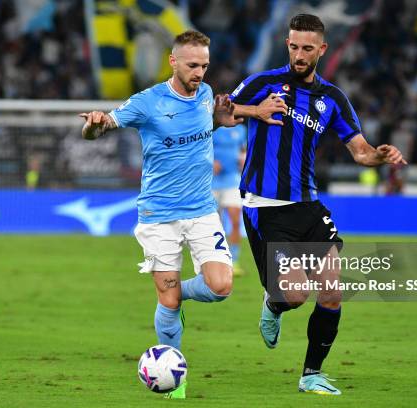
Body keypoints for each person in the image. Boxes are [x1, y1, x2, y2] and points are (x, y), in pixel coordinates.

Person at [79, 30, 284, 399]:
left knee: (221, 287)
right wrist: (92, 126)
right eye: (193, 65)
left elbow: (215, 118)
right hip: (159, 215)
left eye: (205, 65)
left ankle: (176, 297)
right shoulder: (148, 102)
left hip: (202, 210)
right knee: (167, 301)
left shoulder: (205, 95)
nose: (200, 73)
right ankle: (175, 376)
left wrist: (252, 112)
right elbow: (102, 126)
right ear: (173, 61)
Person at [230, 14, 407, 395]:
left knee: (331, 290)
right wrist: (255, 111)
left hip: (308, 205)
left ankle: (311, 374)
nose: (298, 54)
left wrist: (381, 154)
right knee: (294, 295)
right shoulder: (263, 83)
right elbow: (220, 113)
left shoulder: (332, 99)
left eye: (307, 48)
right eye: (293, 46)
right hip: (265, 205)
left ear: (321, 49)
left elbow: (360, 152)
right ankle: (274, 304)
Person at [212, 124, 247, 275]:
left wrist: (243, 159)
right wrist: (210, 162)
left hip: (232, 180)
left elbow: (243, 149)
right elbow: (199, 148)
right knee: (214, 224)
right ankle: (215, 261)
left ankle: (235, 261)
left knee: (235, 220)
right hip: (211, 180)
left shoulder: (240, 129)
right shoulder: (212, 125)